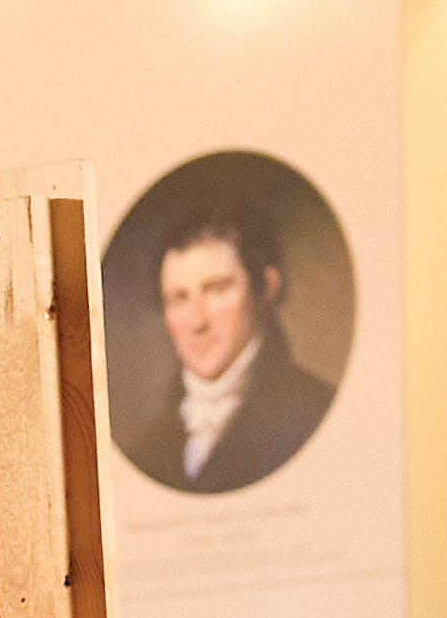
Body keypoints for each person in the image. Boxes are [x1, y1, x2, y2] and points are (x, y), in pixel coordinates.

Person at [142, 205, 337, 492]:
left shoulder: (317, 414)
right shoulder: (146, 449)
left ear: (266, 288)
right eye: (179, 299)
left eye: (217, 289)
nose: (197, 321)